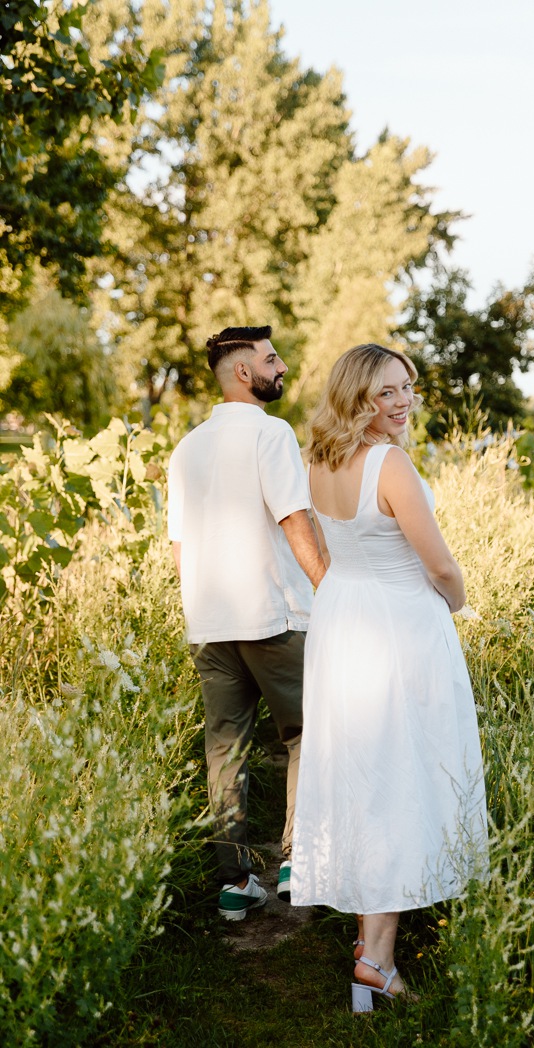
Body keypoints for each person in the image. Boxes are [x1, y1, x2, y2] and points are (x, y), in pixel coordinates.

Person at [290, 343, 489, 1010]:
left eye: (406, 386)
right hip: (399, 628)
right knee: (400, 778)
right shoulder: (391, 464)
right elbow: (439, 565)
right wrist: (457, 602)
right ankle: (375, 962)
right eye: (385, 392)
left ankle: (368, 949)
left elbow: (322, 546)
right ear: (357, 398)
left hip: (343, 620)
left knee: (361, 776)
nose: (402, 402)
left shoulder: (316, 461)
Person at [168, 325, 326, 921]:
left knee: (224, 749)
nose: (281, 366)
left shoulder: (187, 448)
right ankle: (296, 861)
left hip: (208, 622)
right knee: (306, 734)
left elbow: (180, 548)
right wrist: (329, 589)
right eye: (271, 358)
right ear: (242, 371)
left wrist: (199, 609)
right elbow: (293, 517)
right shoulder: (271, 432)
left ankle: (234, 882)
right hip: (273, 614)